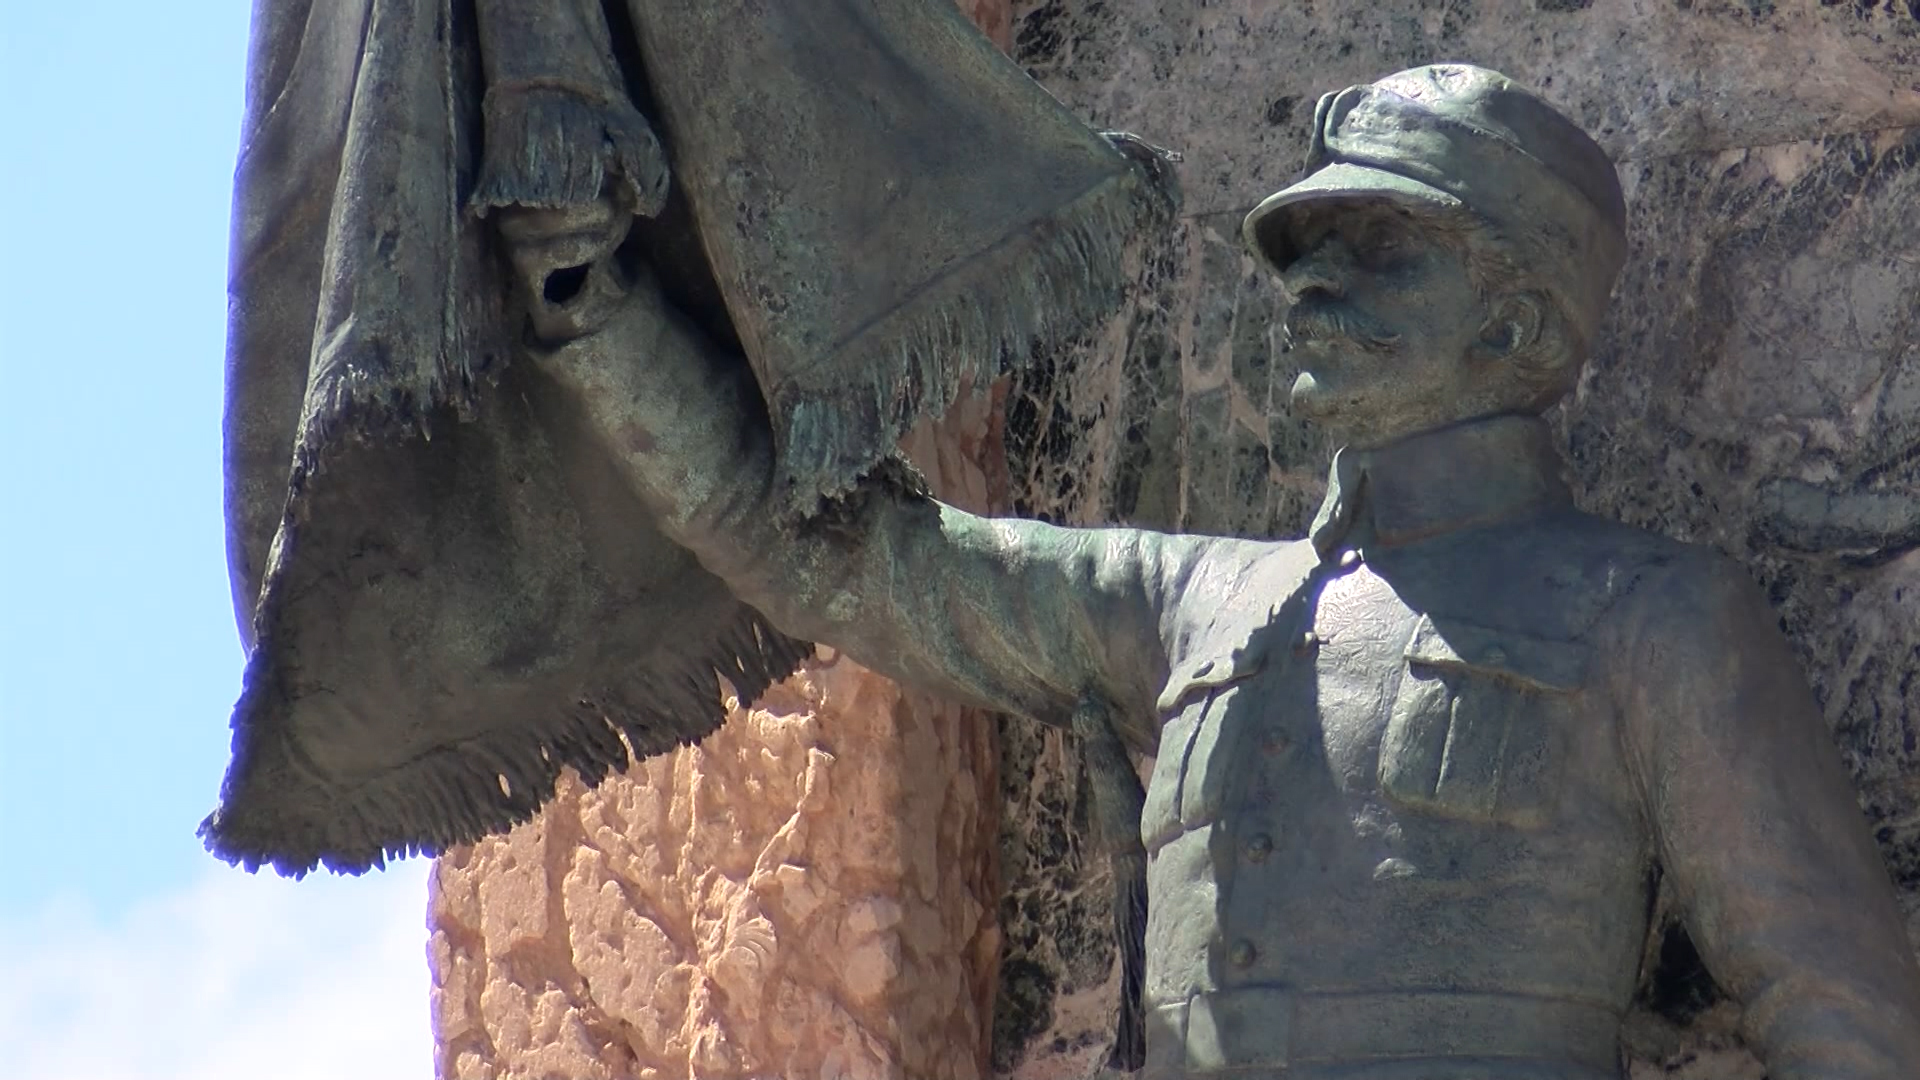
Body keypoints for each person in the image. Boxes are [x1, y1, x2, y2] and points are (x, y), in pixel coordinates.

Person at [514, 64, 1920, 1079]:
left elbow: (1839, 1007)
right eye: (1306, 251)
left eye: (1381, 252)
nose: (1312, 285)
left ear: (1519, 323)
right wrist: (599, 315)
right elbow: (856, 567)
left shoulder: (1656, 617)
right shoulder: (1190, 603)